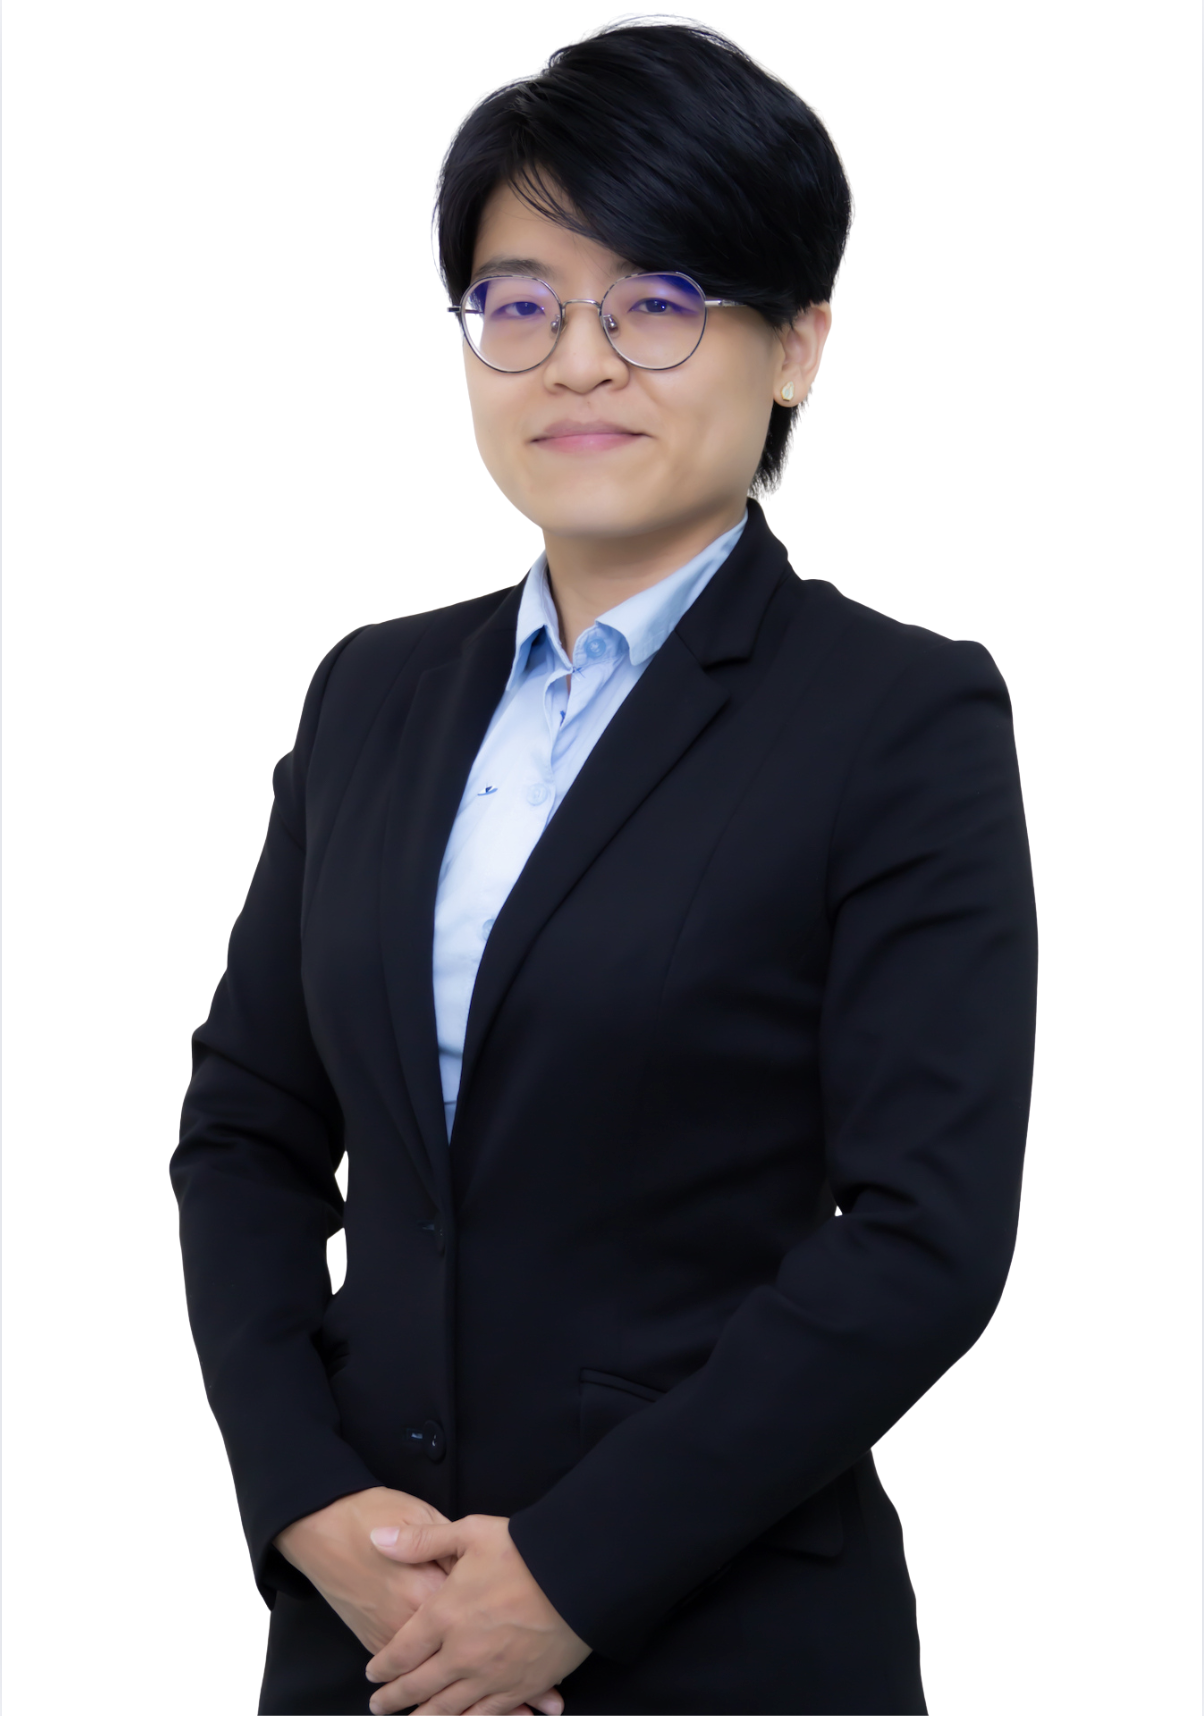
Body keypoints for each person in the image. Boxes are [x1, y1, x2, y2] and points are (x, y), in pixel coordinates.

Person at [171, 21, 1037, 1716]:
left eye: (655, 303)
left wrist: (573, 1576)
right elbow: (248, 1130)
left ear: (796, 346)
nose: (577, 362)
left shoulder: (898, 714)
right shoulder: (371, 694)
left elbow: (922, 1234)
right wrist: (307, 1500)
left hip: (720, 1642)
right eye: (520, 304)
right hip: (371, 1635)